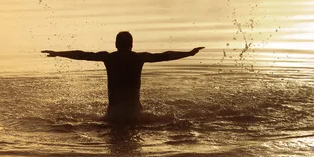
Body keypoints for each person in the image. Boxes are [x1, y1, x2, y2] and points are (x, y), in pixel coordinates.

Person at [42, 31, 204, 122]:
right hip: (135, 114)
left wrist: (58, 53)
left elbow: (82, 55)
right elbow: (164, 56)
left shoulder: (109, 57)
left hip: (113, 114)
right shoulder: (138, 57)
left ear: (116, 45)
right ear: (131, 45)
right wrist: (188, 54)